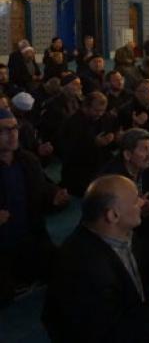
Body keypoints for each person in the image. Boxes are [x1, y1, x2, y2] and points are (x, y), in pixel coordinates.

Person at [42, 175, 149, 342]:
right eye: (135, 200)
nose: (142, 203)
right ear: (113, 215)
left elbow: (130, 278)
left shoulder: (121, 233)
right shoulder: (84, 270)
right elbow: (112, 334)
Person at [0, 108, 68, 305]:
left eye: (14, 128)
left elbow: (42, 191)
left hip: (30, 237)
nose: (12, 134)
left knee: (67, 269)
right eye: (4, 130)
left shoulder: (27, 160)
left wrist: (55, 197)